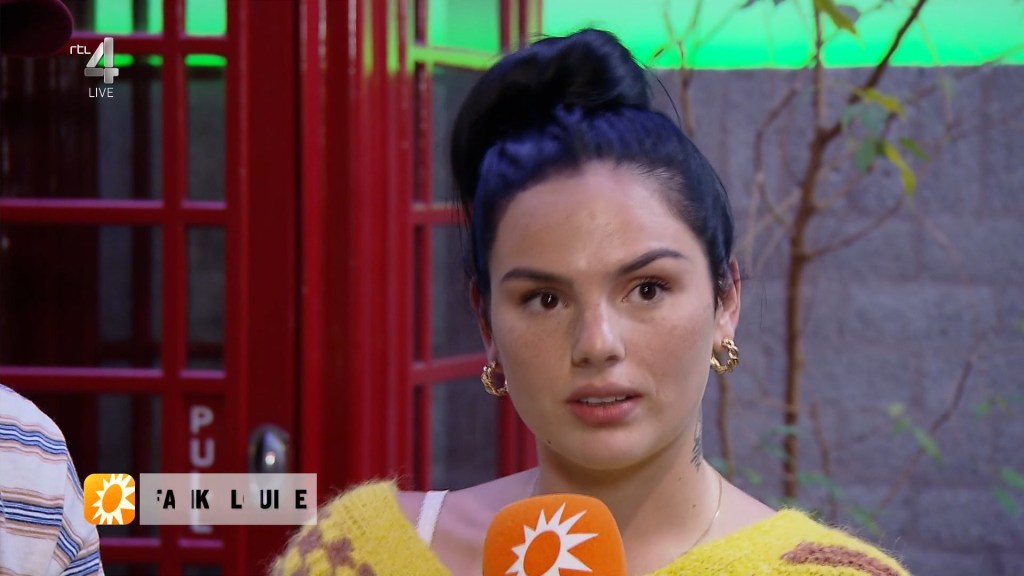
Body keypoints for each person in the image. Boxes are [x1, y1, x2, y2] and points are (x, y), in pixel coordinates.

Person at [272, 29, 909, 575]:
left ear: (725, 301)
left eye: (647, 289)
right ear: (487, 324)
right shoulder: (357, 554)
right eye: (545, 299)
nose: (597, 343)